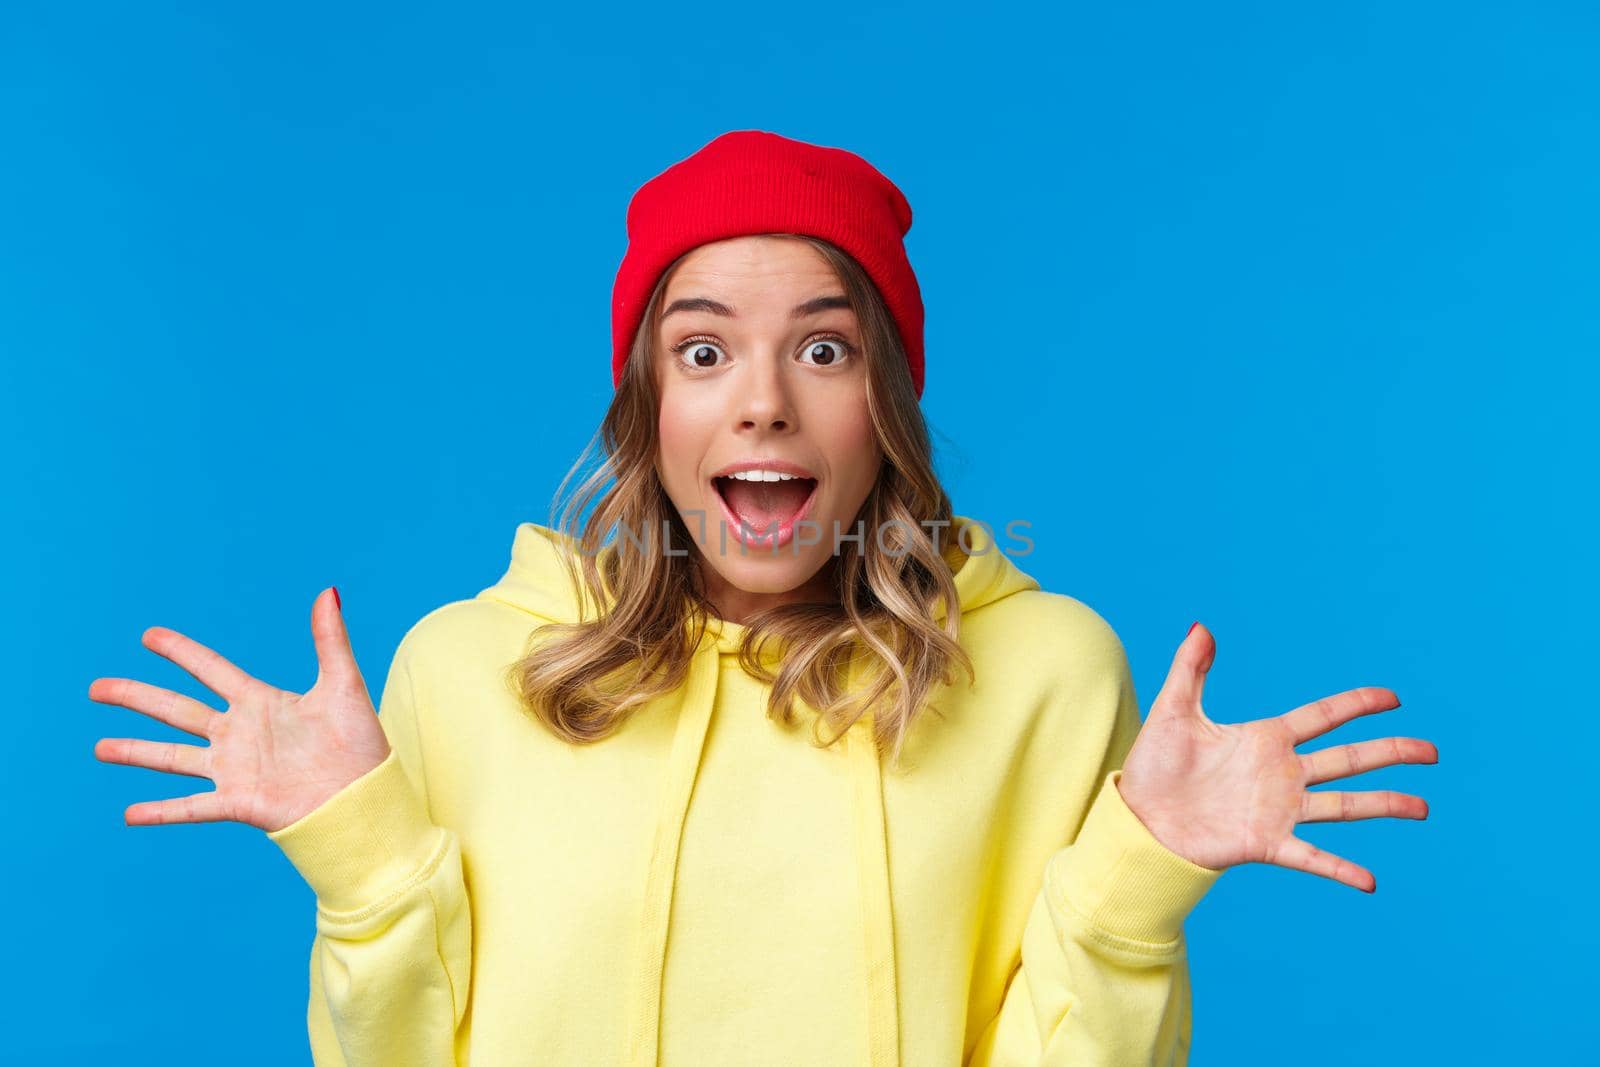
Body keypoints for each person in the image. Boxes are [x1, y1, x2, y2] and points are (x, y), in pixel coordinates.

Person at [88, 129, 1439, 1067]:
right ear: (649, 405)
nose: (762, 400)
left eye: (824, 346)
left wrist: (1138, 887)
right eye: (703, 348)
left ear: (885, 404)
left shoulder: (1049, 675)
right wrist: (366, 866)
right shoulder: (463, 675)